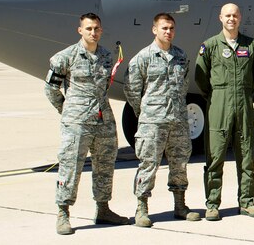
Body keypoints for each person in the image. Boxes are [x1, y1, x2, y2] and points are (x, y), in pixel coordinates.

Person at [44, 13, 128, 235]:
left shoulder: (106, 56)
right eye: (89, 28)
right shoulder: (65, 57)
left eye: (97, 29)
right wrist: (68, 110)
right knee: (71, 167)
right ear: (80, 30)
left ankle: (103, 209)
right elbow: (50, 88)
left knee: (105, 167)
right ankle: (63, 213)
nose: (93, 32)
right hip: (77, 123)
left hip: (103, 121)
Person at [124, 13, 200, 227]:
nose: (168, 32)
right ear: (154, 29)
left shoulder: (181, 56)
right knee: (148, 163)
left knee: (180, 163)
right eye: (164, 28)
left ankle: (180, 205)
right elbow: (132, 89)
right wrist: (146, 111)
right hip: (152, 122)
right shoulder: (144, 57)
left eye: (171, 28)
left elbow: (184, 86)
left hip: (177, 121)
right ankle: (141, 208)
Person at [195, 3, 254, 221]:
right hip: (219, 106)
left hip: (243, 106)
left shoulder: (250, 45)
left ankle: (247, 202)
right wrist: (217, 96)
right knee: (215, 157)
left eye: (235, 15)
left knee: (246, 157)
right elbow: (201, 76)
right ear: (220, 18)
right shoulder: (210, 46)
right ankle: (213, 204)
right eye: (227, 15)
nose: (231, 19)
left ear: (240, 17)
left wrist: (242, 93)